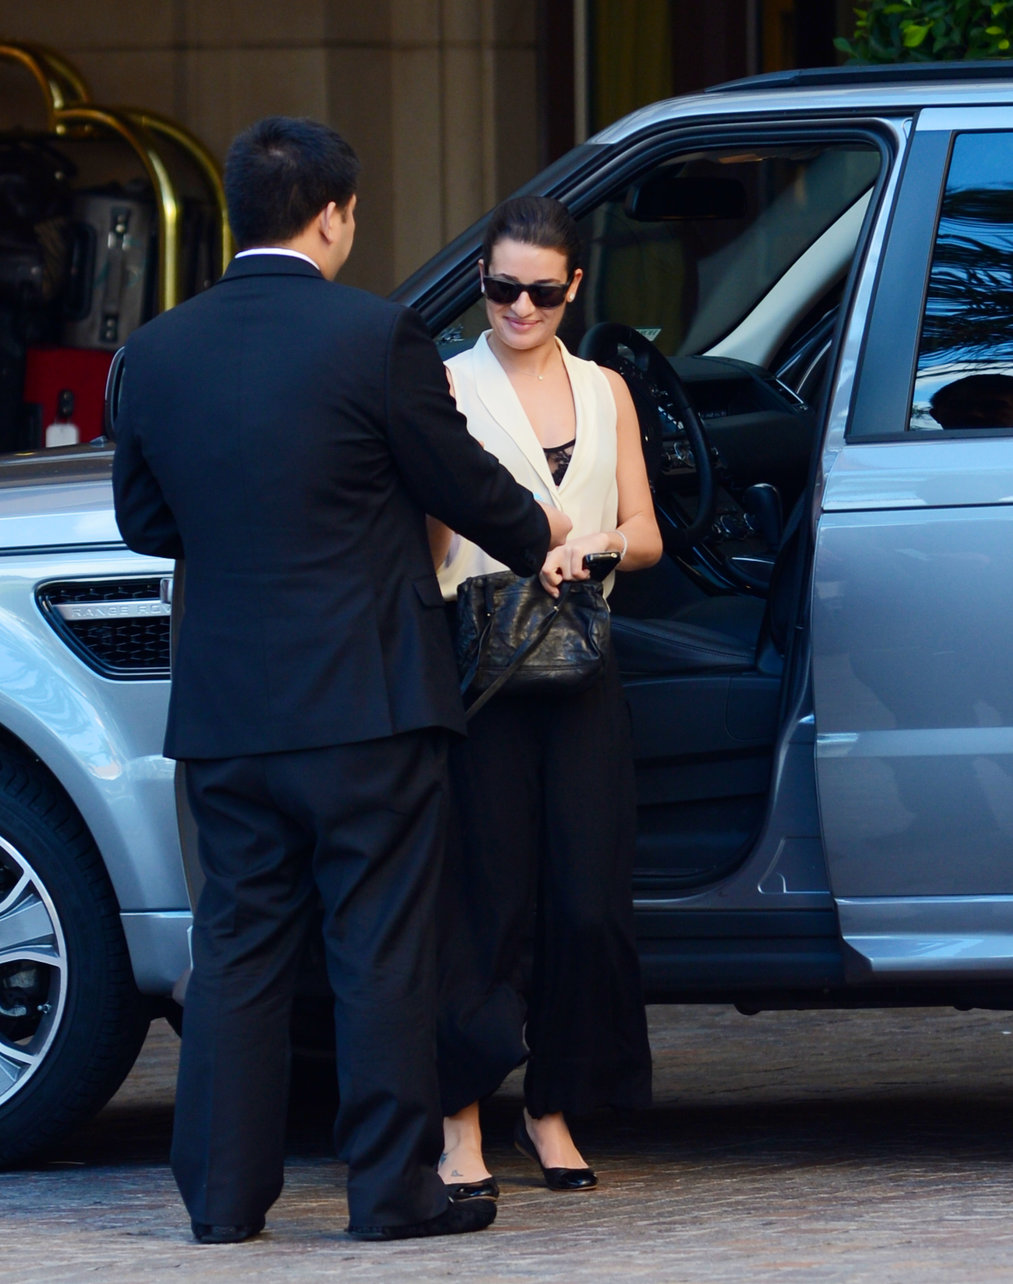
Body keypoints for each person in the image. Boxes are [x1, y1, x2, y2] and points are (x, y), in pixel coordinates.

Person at [111, 118, 572, 1245]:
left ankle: (222, 1203)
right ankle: (390, 1193)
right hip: (367, 701)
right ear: (331, 215)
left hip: (226, 713)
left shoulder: (156, 351)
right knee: (378, 948)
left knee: (235, 953)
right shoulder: (375, 336)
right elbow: (452, 475)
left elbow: (143, 518)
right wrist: (539, 533)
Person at [432, 195, 661, 1200]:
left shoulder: (606, 390)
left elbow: (647, 532)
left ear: (572, 287)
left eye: (538, 290)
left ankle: (553, 1103)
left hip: (579, 663)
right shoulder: (443, 387)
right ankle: (458, 1117)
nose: (516, 307)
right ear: (479, 281)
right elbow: (426, 545)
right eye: (498, 287)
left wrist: (596, 545)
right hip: (482, 665)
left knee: (582, 902)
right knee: (484, 902)